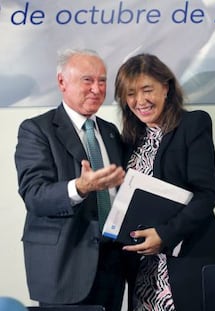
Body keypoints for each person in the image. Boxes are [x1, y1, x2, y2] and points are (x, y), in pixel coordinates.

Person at [14, 48, 138, 311]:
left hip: (112, 266)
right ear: (62, 82)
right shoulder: (36, 130)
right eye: (87, 80)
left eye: (102, 80)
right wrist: (80, 188)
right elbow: (34, 196)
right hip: (64, 267)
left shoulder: (110, 131)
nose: (96, 88)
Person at [115, 53, 215, 311]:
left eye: (147, 89)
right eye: (131, 93)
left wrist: (164, 235)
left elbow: (206, 195)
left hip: (185, 260)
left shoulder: (193, 124)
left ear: (166, 88)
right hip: (143, 269)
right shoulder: (129, 139)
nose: (140, 101)